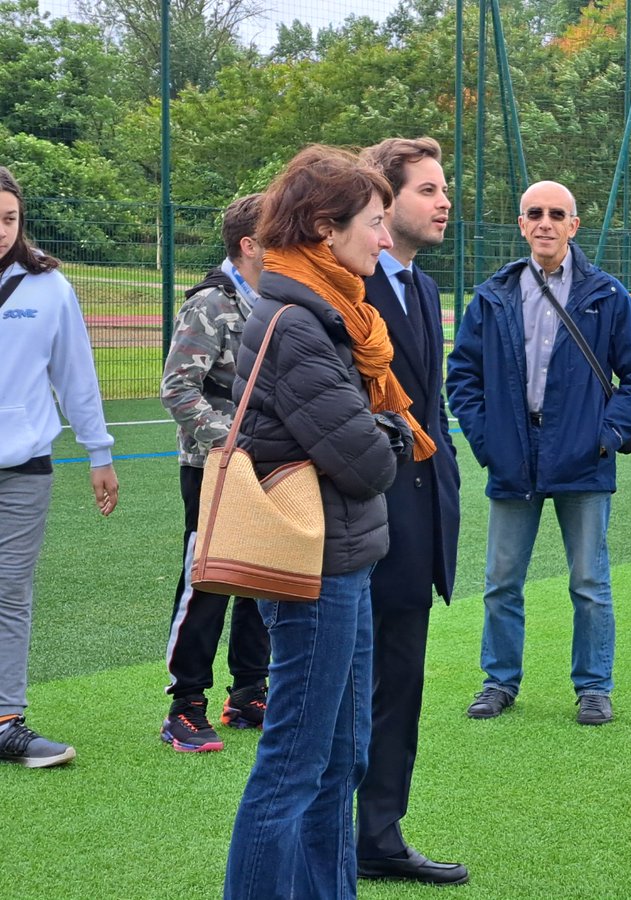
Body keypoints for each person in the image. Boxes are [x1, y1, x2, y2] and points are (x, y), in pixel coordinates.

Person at [223, 145, 420, 899]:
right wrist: (391, 436)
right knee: (295, 764)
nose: (383, 237)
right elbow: (370, 463)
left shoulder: (332, 315)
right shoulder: (300, 324)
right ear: (323, 228)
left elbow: (369, 443)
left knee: (340, 758)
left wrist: (384, 433)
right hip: (313, 571)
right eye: (373, 223)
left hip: (342, 561)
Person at [446, 180, 631, 726]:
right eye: (534, 213)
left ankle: (593, 687)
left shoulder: (606, 294)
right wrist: (485, 437)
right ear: (521, 225)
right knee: (500, 581)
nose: (544, 222)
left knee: (589, 582)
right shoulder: (493, 295)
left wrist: (607, 434)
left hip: (583, 458)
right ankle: (498, 681)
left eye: (555, 214)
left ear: (573, 225)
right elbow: (462, 374)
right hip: (513, 455)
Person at [355, 138, 467, 884]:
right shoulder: (350, 289)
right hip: (362, 526)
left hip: (419, 525)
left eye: (443, 189)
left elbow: (427, 408)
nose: (444, 201)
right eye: (428, 189)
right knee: (346, 690)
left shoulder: (422, 288)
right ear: (384, 202)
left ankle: (380, 837)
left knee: (401, 685)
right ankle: (333, 834)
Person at [0, 165, 119, 768]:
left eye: (9, 218)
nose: (0, 230)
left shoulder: (47, 287)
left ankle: (5, 719)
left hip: (23, 468)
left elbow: (75, 374)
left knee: (10, 593)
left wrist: (99, 452)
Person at [159, 194, 271, 753]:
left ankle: (249, 692)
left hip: (268, 467)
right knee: (208, 580)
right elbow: (177, 387)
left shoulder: (274, 301)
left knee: (261, 578)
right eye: (277, 234)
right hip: (214, 468)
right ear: (249, 245)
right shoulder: (209, 304)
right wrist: (229, 443)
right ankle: (185, 705)